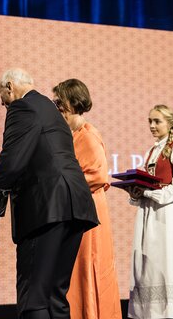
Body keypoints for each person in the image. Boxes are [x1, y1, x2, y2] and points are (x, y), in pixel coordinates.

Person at [0, 68, 99, 319]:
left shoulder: (21, 108)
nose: (2, 102)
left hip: (45, 208)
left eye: (2, 95)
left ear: (10, 86)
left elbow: (11, 162)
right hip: (74, 207)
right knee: (55, 294)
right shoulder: (50, 108)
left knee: (33, 295)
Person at [52, 79, 121, 319]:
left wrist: (59, 183)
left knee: (86, 266)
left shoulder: (88, 136)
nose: (57, 106)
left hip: (88, 211)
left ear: (73, 103)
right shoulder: (69, 134)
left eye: (60, 102)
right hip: (76, 208)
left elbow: (98, 176)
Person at [127, 105, 173, 319]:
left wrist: (150, 194)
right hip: (149, 214)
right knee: (147, 264)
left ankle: (168, 313)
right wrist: (136, 191)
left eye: (157, 121)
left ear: (170, 124)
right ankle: (149, 313)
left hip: (167, 214)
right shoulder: (151, 151)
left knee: (164, 263)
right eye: (150, 121)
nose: (152, 125)